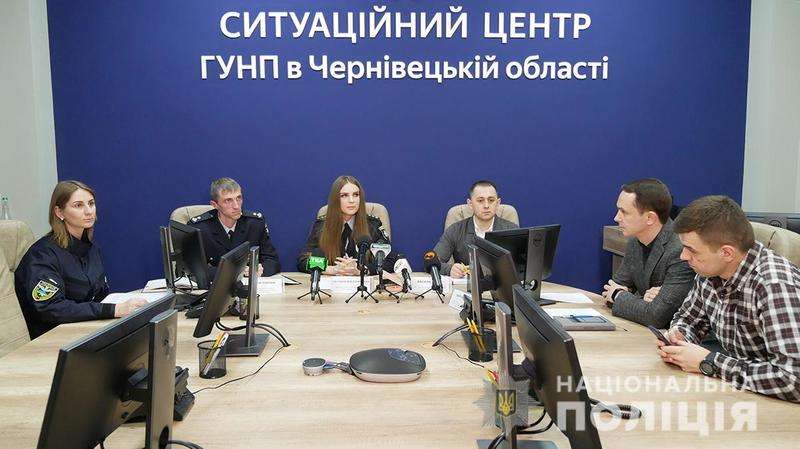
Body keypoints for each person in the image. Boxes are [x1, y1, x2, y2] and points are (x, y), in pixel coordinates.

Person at [658, 196, 800, 402]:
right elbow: (688, 319)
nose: (683, 256)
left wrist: (709, 362)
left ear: (726, 253)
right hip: (743, 395)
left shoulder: (774, 285)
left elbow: (793, 379)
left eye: (691, 250)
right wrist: (680, 337)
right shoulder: (709, 271)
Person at [14, 181, 147, 339]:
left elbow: (100, 296)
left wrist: (119, 307)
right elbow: (51, 308)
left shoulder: (91, 249)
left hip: (89, 330)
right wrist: (113, 310)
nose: (89, 211)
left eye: (91, 203)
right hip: (55, 338)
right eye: (78, 205)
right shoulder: (42, 255)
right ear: (59, 212)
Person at [602, 178, 695, 328]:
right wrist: (637, 299)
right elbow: (610, 290)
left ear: (650, 218)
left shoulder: (680, 250)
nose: (616, 217)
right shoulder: (635, 240)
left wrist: (618, 295)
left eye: (624, 212)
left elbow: (656, 317)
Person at [297, 175, 397, 276]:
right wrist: (329, 269)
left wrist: (362, 270)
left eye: (356, 195)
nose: (351, 200)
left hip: (363, 283)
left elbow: (390, 261)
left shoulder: (373, 225)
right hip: (332, 283)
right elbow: (303, 260)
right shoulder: (321, 226)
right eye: (344, 195)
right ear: (335, 200)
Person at [188, 177, 280, 276]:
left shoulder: (255, 223)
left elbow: (272, 260)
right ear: (215, 205)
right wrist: (235, 272)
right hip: (215, 284)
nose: (236, 206)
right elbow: (191, 268)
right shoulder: (199, 228)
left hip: (248, 282)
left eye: (238, 198)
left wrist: (261, 269)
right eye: (228, 200)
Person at [434, 180, 517, 278]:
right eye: (480, 201)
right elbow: (432, 262)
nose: (486, 206)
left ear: (498, 203)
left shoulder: (512, 230)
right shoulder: (455, 230)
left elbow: (525, 266)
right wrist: (449, 269)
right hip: (467, 285)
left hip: (502, 285)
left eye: (491, 200)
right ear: (470, 204)